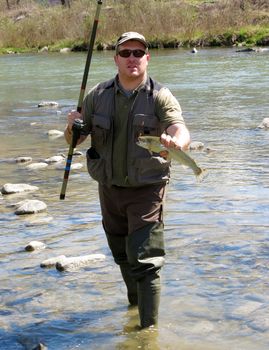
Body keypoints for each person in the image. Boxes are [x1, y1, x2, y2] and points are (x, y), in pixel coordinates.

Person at [64, 31, 190, 329]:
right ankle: (135, 306)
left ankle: (147, 334)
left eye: (138, 53)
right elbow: (75, 140)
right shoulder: (97, 95)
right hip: (108, 189)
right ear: (116, 58)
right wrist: (72, 127)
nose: (132, 58)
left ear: (147, 57)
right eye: (125, 53)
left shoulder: (160, 95)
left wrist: (177, 144)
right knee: (122, 254)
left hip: (147, 189)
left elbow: (180, 129)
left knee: (146, 261)